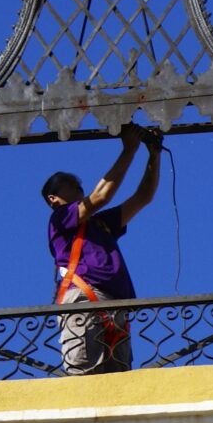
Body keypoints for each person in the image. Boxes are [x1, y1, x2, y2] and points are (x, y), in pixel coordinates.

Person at [42, 123, 162, 375]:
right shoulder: (61, 218)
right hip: (84, 298)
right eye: (71, 185)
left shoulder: (99, 222)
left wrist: (154, 155)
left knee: (118, 382)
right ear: (53, 198)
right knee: (84, 378)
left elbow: (143, 198)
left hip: (114, 304)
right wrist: (130, 150)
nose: (79, 188)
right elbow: (101, 197)